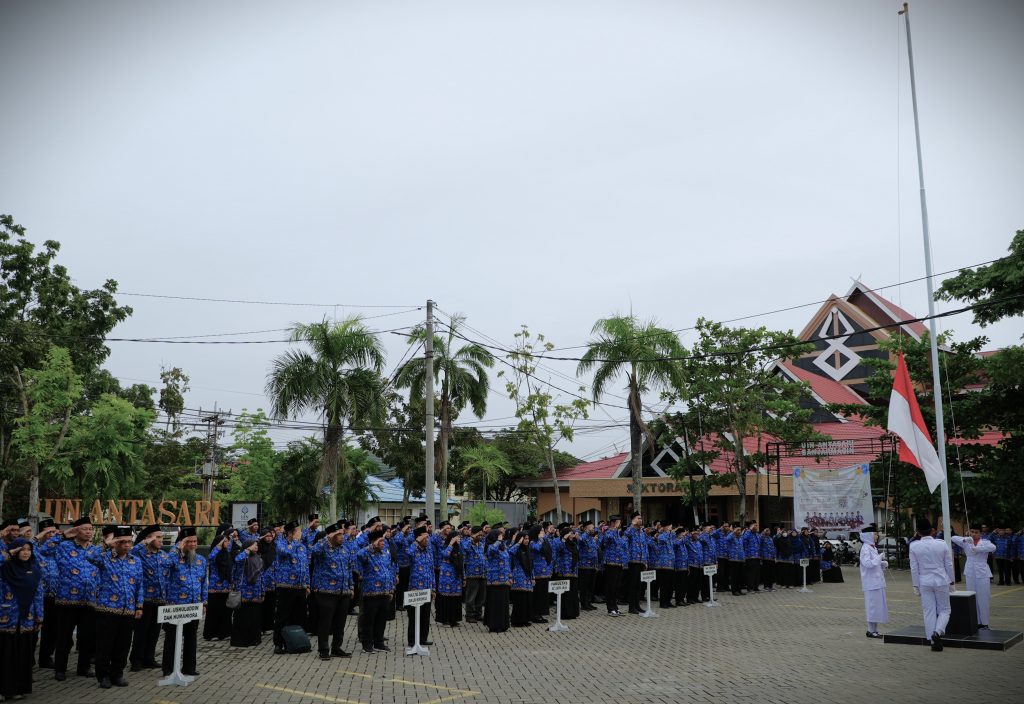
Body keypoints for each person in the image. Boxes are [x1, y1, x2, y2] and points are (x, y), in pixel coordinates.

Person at [43, 515, 102, 681]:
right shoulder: (63, 546)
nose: (89, 532)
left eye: (91, 529)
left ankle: (83, 668)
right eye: (85, 529)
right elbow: (44, 549)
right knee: (64, 637)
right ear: (76, 531)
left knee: (87, 638)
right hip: (66, 601)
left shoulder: (95, 549)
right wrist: (63, 535)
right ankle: (60, 669)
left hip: (89, 601)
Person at [89, 526, 144, 688]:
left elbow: (140, 585)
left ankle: (117, 673)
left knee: (123, 645)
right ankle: (103, 676)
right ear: (116, 543)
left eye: (129, 542)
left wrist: (139, 606)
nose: (127, 545)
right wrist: (107, 543)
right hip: (107, 609)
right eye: (123, 542)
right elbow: (88, 555)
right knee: (105, 645)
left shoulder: (135, 560)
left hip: (128, 610)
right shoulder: (105, 558)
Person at [0, 538, 44, 700]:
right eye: (21, 549)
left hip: (27, 619)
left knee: (21, 655)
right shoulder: (4, 569)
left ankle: (16, 689)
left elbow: (38, 596)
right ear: (14, 551)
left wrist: (40, 617)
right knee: (5, 656)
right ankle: (2, 690)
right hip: (5, 619)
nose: (25, 552)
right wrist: (7, 555)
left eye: (28, 549)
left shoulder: (35, 571)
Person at [161, 527, 207, 677]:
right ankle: (168, 668)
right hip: (176, 605)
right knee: (172, 639)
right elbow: (164, 565)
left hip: (193, 605)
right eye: (189, 541)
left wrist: (204, 602)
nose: (193, 544)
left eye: (195, 541)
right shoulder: (174, 558)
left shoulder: (201, 560)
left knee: (191, 637)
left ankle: (189, 667)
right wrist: (177, 549)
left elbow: (203, 583)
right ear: (182, 543)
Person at [310, 521, 354, 659]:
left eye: (342, 534)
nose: (342, 537)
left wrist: (351, 586)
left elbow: (349, 569)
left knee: (340, 622)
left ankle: (336, 647)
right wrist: (327, 538)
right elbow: (312, 551)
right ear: (332, 536)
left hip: (343, 591)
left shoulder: (344, 549)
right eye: (339, 534)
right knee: (326, 621)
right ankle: (323, 649)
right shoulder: (323, 548)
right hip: (326, 591)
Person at [909, 518, 954, 652]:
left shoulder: (914, 546)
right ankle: (938, 632)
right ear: (932, 531)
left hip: (924, 581)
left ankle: (932, 639)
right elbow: (949, 564)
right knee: (945, 610)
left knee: (928, 611)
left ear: (918, 532)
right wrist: (951, 580)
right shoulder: (941, 544)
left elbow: (914, 568)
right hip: (941, 580)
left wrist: (915, 585)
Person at [129, 524, 168, 671]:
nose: (160, 540)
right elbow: (130, 552)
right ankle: (136, 660)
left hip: (160, 600)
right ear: (148, 539)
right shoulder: (139, 553)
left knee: (154, 633)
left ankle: (149, 658)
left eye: (161, 537)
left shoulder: (163, 555)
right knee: (141, 632)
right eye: (157, 537)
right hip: (144, 600)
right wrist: (143, 542)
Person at [355, 527, 396, 654]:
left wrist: (391, 589)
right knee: (369, 620)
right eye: (380, 541)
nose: (383, 543)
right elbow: (358, 555)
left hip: (384, 591)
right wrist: (371, 546)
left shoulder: (385, 553)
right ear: (373, 542)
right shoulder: (367, 553)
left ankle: (379, 643)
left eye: (383, 541)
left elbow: (389, 570)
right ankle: (367, 644)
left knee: (381, 619)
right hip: (371, 592)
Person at [273, 520, 310, 654]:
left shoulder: (302, 547)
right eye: (299, 531)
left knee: (299, 616)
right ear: (290, 533)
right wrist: (294, 541)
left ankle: (296, 643)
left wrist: (307, 584)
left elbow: (305, 566)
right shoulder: (280, 543)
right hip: (286, 586)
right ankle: (278, 643)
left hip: (300, 587)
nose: (301, 533)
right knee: (282, 616)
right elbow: (285, 553)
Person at [951, 526, 997, 628]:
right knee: (972, 597)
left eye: (976, 532)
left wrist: (978, 549)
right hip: (970, 572)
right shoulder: (966, 542)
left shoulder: (985, 541)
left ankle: (984, 623)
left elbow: (993, 547)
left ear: (980, 533)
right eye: (972, 532)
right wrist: (965, 538)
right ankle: (976, 622)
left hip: (982, 572)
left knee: (983, 598)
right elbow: (953, 538)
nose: (974, 534)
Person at [231, 537, 267, 648]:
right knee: (243, 617)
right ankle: (241, 640)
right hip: (244, 592)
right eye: (253, 545)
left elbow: (261, 576)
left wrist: (262, 591)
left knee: (254, 617)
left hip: (256, 592)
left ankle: (254, 639)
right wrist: (247, 550)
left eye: (256, 545)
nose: (256, 547)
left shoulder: (259, 558)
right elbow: (237, 560)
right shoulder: (242, 558)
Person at [33, 517, 59, 669]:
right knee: (35, 628)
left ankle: (46, 656)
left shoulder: (58, 551)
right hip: (38, 597)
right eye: (48, 532)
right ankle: (29, 659)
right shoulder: (34, 550)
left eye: (54, 532)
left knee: (52, 628)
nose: (51, 535)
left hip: (54, 596)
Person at [204, 528, 237, 641]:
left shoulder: (226, 554)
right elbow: (211, 557)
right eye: (225, 542)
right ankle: (212, 633)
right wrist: (218, 545)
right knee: (214, 611)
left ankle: (225, 632)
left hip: (226, 586)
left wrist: (231, 537)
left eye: (228, 541)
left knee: (225, 611)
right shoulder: (215, 554)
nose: (228, 543)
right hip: (215, 587)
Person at [406, 524, 436, 646]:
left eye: (427, 538)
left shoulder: (429, 551)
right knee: (414, 617)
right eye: (425, 538)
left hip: (427, 587)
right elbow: (408, 553)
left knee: (425, 616)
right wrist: (416, 542)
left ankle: (423, 638)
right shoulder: (413, 550)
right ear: (419, 539)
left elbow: (432, 569)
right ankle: (412, 641)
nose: (427, 540)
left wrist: (433, 588)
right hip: (415, 588)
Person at [858, 526, 888, 638]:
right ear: (868, 535)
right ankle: (871, 630)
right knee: (872, 607)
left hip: (877, 582)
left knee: (877, 606)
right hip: (871, 583)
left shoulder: (872, 547)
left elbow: (874, 564)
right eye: (875, 534)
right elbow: (868, 564)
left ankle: (875, 629)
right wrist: (879, 558)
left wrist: (882, 563)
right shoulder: (865, 548)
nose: (877, 536)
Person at [484, 527, 510, 632]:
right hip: (494, 580)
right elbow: (491, 551)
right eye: (499, 535)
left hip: (504, 579)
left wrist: (510, 576)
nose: (502, 537)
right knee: (495, 603)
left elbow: (507, 562)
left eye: (502, 535)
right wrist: (498, 541)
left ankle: (503, 624)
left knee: (503, 603)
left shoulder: (503, 547)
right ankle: (494, 625)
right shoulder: (491, 546)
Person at [599, 516, 626, 616]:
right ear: (613, 523)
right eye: (618, 522)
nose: (620, 524)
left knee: (617, 586)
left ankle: (615, 607)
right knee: (611, 586)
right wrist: (612, 529)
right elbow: (605, 542)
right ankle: (610, 609)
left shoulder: (619, 533)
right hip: (610, 563)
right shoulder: (608, 532)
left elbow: (623, 546)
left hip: (619, 563)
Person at [508, 530, 534, 627]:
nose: (527, 541)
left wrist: (533, 577)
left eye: (528, 539)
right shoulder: (516, 549)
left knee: (527, 599)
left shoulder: (528, 549)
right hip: (518, 577)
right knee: (520, 600)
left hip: (527, 577)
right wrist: (518, 543)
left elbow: (531, 565)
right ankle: (517, 620)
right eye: (525, 539)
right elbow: (509, 551)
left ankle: (526, 619)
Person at [624, 513, 647, 614]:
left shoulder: (641, 531)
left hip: (641, 561)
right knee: (632, 585)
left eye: (641, 518)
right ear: (633, 519)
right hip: (633, 561)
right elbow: (625, 536)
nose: (640, 520)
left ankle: (637, 605)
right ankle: (631, 607)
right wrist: (632, 525)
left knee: (639, 585)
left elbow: (644, 546)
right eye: (638, 518)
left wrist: (645, 561)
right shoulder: (630, 530)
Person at [462, 526, 487, 624]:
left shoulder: (481, 544)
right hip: (472, 574)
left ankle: (478, 614)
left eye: (481, 534)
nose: (480, 536)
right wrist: (472, 537)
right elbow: (465, 548)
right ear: (473, 534)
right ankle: (470, 615)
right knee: (471, 596)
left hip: (482, 574)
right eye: (478, 534)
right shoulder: (467, 542)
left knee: (481, 596)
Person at [577, 521, 598, 611]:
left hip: (592, 565)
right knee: (584, 586)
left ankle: (589, 603)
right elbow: (581, 540)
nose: (593, 529)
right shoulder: (582, 537)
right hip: (584, 565)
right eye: (591, 528)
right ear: (586, 529)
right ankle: (584, 604)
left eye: (593, 527)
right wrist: (585, 532)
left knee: (590, 586)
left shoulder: (592, 538)